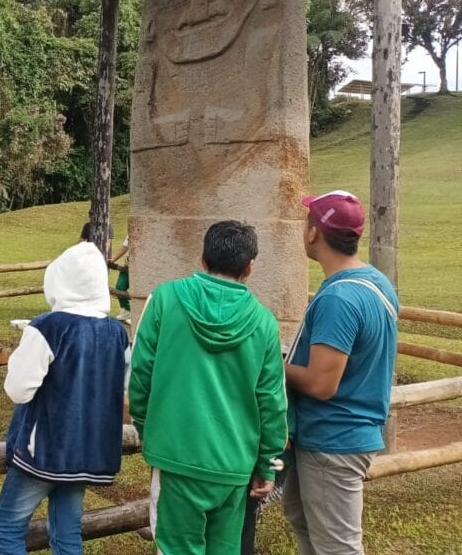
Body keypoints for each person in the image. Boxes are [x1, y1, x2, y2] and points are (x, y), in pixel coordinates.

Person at [128, 221, 286, 555]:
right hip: (233, 463)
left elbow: (140, 373)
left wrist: (147, 428)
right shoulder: (264, 322)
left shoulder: (164, 300)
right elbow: (271, 401)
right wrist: (266, 462)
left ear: (202, 258)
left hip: (176, 456)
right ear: (249, 268)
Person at [0, 242, 128, 555]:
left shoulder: (49, 327)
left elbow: (18, 388)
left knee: (7, 528)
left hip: (46, 449)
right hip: (87, 450)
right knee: (66, 535)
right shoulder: (116, 332)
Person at [283, 190, 399, 555]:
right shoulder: (376, 282)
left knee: (338, 547)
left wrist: (272, 365)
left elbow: (321, 384)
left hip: (333, 437)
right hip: (344, 432)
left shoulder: (339, 299)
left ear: (315, 232)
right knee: (303, 521)